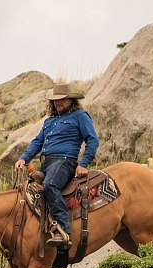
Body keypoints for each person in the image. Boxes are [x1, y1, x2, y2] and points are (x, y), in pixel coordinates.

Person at [14, 83, 99, 247]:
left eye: (62, 100)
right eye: (55, 100)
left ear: (71, 100)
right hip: (46, 164)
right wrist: (23, 158)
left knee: (50, 185)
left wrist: (84, 163)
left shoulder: (80, 116)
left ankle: (64, 230)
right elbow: (37, 142)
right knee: (28, 191)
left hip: (64, 161)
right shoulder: (49, 121)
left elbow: (92, 140)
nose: (58, 103)